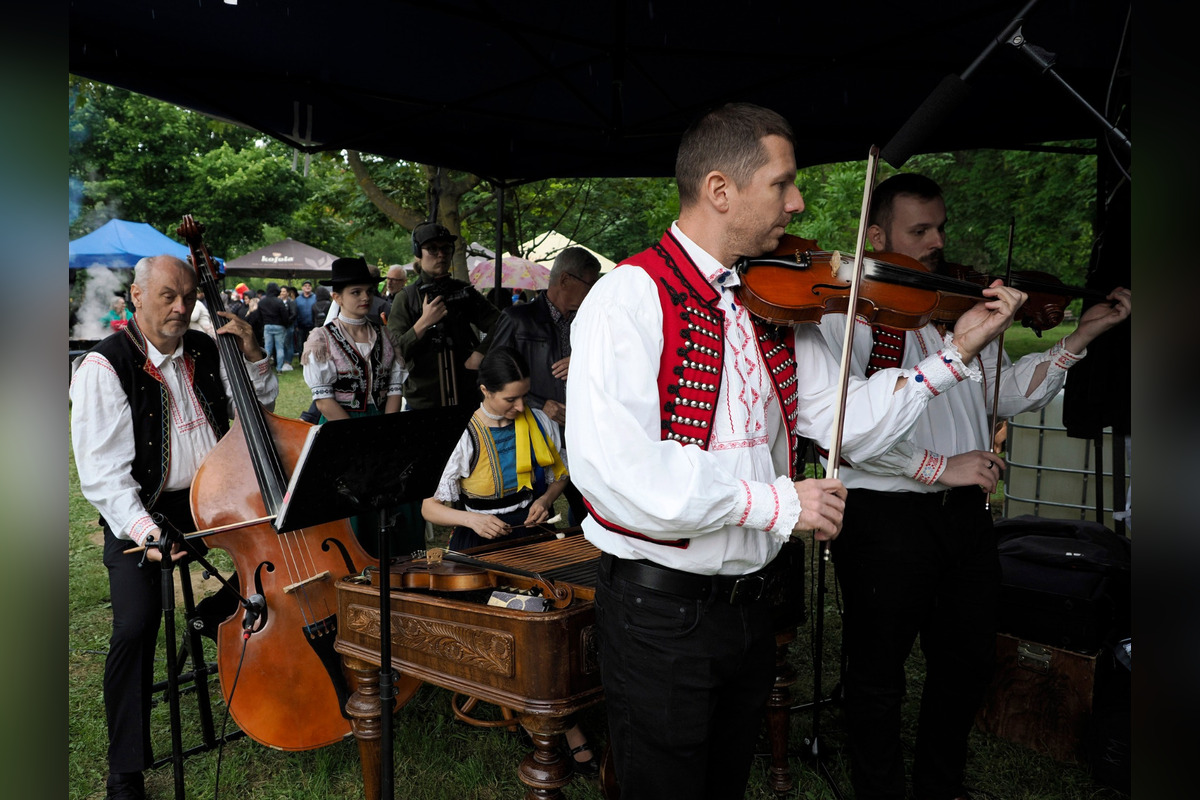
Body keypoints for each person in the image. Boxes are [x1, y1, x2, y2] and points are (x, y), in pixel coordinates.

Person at [790, 172, 1133, 800]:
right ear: (876, 234)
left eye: (939, 228)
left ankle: (940, 786)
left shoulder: (949, 308)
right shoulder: (848, 314)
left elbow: (997, 391)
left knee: (966, 662)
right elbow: (851, 431)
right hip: (885, 518)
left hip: (965, 520)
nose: (936, 242)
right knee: (878, 672)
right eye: (919, 230)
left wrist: (1080, 337)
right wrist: (935, 467)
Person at [564, 102, 848, 799]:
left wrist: (954, 355)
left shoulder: (763, 298)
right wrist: (778, 501)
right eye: (782, 183)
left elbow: (839, 417)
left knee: (723, 784)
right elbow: (621, 474)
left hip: (752, 605)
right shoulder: (629, 296)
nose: (798, 202)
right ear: (721, 190)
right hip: (664, 614)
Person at [70, 254, 277, 800]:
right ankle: (126, 768)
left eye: (188, 296)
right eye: (168, 295)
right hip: (144, 510)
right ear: (136, 297)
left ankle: (216, 619)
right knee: (136, 626)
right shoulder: (104, 365)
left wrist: (253, 356)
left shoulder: (209, 348)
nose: (181, 306)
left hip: (216, 501)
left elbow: (259, 414)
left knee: (283, 563)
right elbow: (102, 475)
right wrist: (144, 531)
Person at [420, 345, 597, 776]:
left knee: (570, 605)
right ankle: (563, 724)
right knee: (531, 624)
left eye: (524, 396)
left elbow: (561, 472)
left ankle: (564, 695)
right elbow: (429, 506)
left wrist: (547, 499)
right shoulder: (463, 433)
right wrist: (472, 520)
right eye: (510, 399)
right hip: (478, 543)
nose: (521, 407)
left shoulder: (536, 421)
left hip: (530, 533)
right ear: (485, 391)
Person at [301, 256, 419, 557]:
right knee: (352, 499)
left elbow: (395, 388)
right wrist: (361, 437)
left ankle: (400, 567)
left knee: (400, 493)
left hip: (384, 424)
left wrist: (388, 430)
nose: (365, 297)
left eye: (368, 290)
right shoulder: (322, 339)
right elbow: (324, 400)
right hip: (342, 429)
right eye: (356, 292)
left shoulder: (385, 335)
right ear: (337, 297)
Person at [486, 246, 601, 525]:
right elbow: (491, 373)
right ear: (565, 281)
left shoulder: (593, 322)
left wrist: (585, 359)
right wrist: (539, 404)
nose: (594, 291)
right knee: (533, 513)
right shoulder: (518, 318)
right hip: (531, 430)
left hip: (581, 431)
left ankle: (586, 557)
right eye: (590, 283)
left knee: (592, 508)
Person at [387, 221, 501, 409]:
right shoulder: (406, 298)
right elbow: (393, 351)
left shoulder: (464, 292)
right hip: (423, 402)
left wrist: (481, 353)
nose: (441, 255)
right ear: (418, 252)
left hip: (467, 395)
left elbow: (501, 322)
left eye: (446, 249)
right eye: (432, 249)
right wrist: (423, 323)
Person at [256, 281, 291, 371]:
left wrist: (263, 325)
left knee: (267, 348)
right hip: (279, 326)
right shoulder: (279, 302)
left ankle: (266, 368)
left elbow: (259, 316)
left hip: (267, 326)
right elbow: (285, 315)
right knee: (279, 348)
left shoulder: (262, 302)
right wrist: (285, 325)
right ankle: (279, 368)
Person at [294, 279, 317, 351]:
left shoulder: (315, 298)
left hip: (313, 326)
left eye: (309, 286)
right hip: (301, 326)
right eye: (305, 286)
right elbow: (295, 312)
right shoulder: (297, 299)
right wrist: (296, 325)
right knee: (301, 345)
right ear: (302, 288)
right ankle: (301, 360)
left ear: (311, 287)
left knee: (313, 344)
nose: (307, 287)